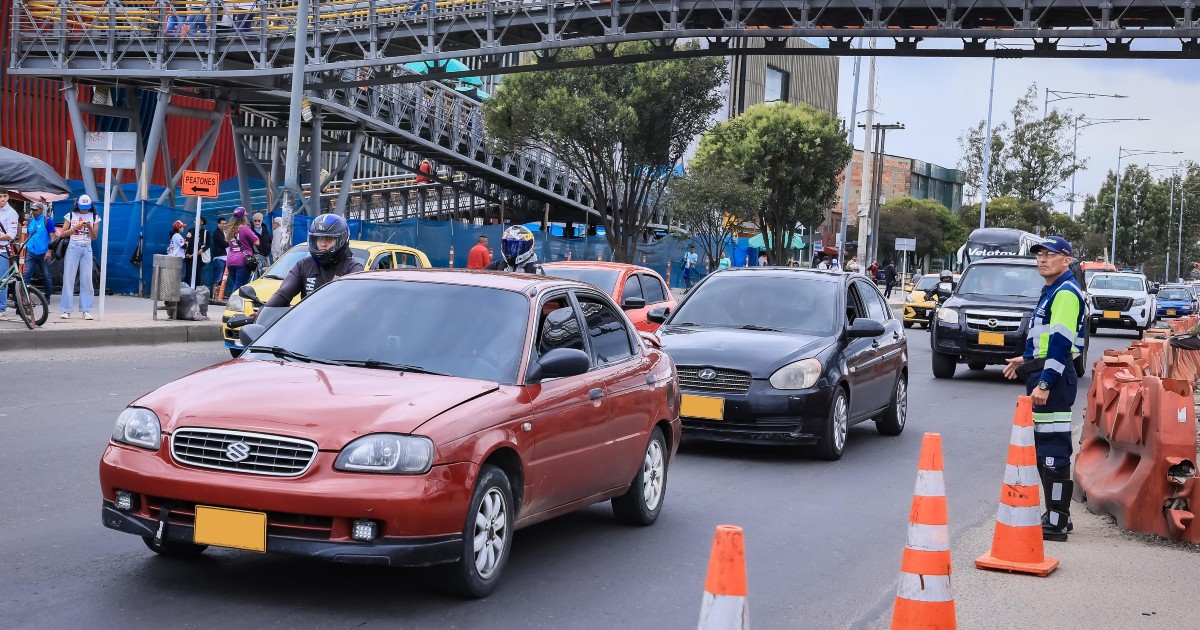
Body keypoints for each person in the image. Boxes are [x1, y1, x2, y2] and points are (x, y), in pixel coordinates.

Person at [1002, 236, 1084, 542]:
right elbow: (1047, 339)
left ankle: (1058, 521)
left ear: (1067, 260)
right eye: (1039, 254)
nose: (1042, 259)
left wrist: (1046, 382)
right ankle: (1056, 514)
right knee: (1045, 449)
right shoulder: (1051, 291)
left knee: (1053, 452)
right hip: (1044, 374)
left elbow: (1061, 342)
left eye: (1050, 254)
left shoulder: (1065, 293)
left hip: (1055, 380)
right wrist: (1025, 359)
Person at [265, 214, 364, 307]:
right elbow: (282, 294)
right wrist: (262, 312)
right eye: (319, 239)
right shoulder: (303, 265)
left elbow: (354, 304)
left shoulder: (353, 268)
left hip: (339, 323)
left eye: (328, 239)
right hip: (308, 323)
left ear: (342, 240)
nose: (322, 244)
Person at [59, 194, 100, 320]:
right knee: (68, 279)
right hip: (73, 247)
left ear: (90, 205)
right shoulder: (71, 215)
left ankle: (86, 310)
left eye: (86, 207)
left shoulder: (95, 217)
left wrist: (89, 227)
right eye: (82, 207)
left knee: (87, 279)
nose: (84, 210)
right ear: (77, 204)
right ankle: (66, 309)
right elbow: (63, 234)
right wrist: (75, 228)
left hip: (87, 248)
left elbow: (94, 237)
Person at [21, 202, 55, 300]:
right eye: (32, 210)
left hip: (43, 252)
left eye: (36, 210)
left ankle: (47, 297)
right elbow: (27, 235)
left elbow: (53, 237)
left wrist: (49, 251)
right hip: (31, 252)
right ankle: (24, 296)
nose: (34, 212)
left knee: (46, 275)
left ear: (41, 210)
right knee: (27, 274)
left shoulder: (47, 221)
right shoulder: (31, 221)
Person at [224, 207, 259, 295]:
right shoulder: (244, 228)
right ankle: (232, 304)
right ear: (244, 217)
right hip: (243, 260)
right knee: (239, 286)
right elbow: (257, 242)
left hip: (230, 260)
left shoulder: (230, 229)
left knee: (236, 284)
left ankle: (238, 304)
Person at [0, 191, 18, 316]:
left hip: (2, 250)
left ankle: (1, 307)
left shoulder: (12, 213)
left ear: (8, 197)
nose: (2, 199)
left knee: (2, 280)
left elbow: (11, 235)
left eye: (4, 196)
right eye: (0, 196)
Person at [210, 216, 229, 292]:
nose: (224, 225)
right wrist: (231, 243)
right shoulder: (217, 233)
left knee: (224, 277)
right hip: (220, 258)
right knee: (218, 277)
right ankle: (215, 294)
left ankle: (220, 293)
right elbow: (223, 244)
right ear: (218, 224)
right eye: (223, 223)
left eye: (225, 223)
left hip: (226, 257)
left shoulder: (224, 232)